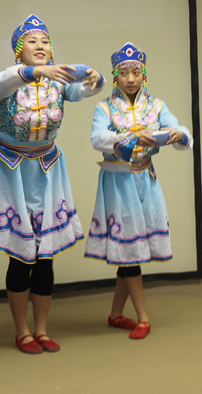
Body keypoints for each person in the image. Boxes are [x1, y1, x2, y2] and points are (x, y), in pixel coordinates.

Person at [0, 14, 104, 354]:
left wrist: (96, 76)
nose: (41, 46)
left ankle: (43, 330)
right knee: (21, 256)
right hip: (12, 172)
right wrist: (37, 72)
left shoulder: (58, 84)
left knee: (46, 255)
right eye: (32, 42)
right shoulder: (7, 82)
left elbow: (87, 89)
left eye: (45, 41)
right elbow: (2, 80)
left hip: (47, 172)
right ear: (19, 51)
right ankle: (22, 331)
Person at [84, 42, 193, 339]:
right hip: (118, 182)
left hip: (146, 179)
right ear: (115, 76)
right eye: (124, 73)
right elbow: (98, 138)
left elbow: (182, 132)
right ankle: (143, 317)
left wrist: (177, 134)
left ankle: (116, 314)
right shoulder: (104, 107)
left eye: (136, 72)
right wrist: (132, 137)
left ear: (144, 75)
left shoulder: (156, 105)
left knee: (129, 251)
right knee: (129, 252)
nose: (130, 79)